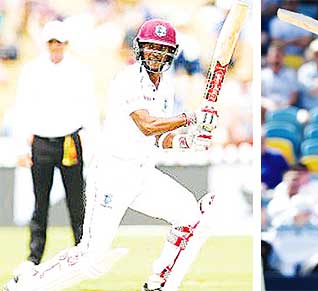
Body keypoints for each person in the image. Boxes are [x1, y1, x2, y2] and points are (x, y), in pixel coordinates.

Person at [5, 19, 222, 291]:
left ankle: (159, 284)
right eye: (150, 47)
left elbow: (160, 138)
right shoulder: (127, 79)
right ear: (139, 49)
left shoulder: (165, 86)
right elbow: (147, 125)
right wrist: (190, 118)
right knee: (91, 260)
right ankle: (26, 284)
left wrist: (188, 141)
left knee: (193, 218)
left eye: (161, 49)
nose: (155, 54)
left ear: (171, 53)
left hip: (143, 173)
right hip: (113, 174)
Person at [12, 20, 96, 274]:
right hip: (41, 142)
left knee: (75, 200)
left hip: (70, 141)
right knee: (40, 201)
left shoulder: (80, 70)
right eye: (51, 42)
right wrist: (20, 146)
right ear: (45, 44)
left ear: (66, 44)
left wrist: (92, 144)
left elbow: (89, 108)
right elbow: (22, 107)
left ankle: (83, 251)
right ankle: (34, 255)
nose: (55, 47)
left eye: (59, 42)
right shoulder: (32, 70)